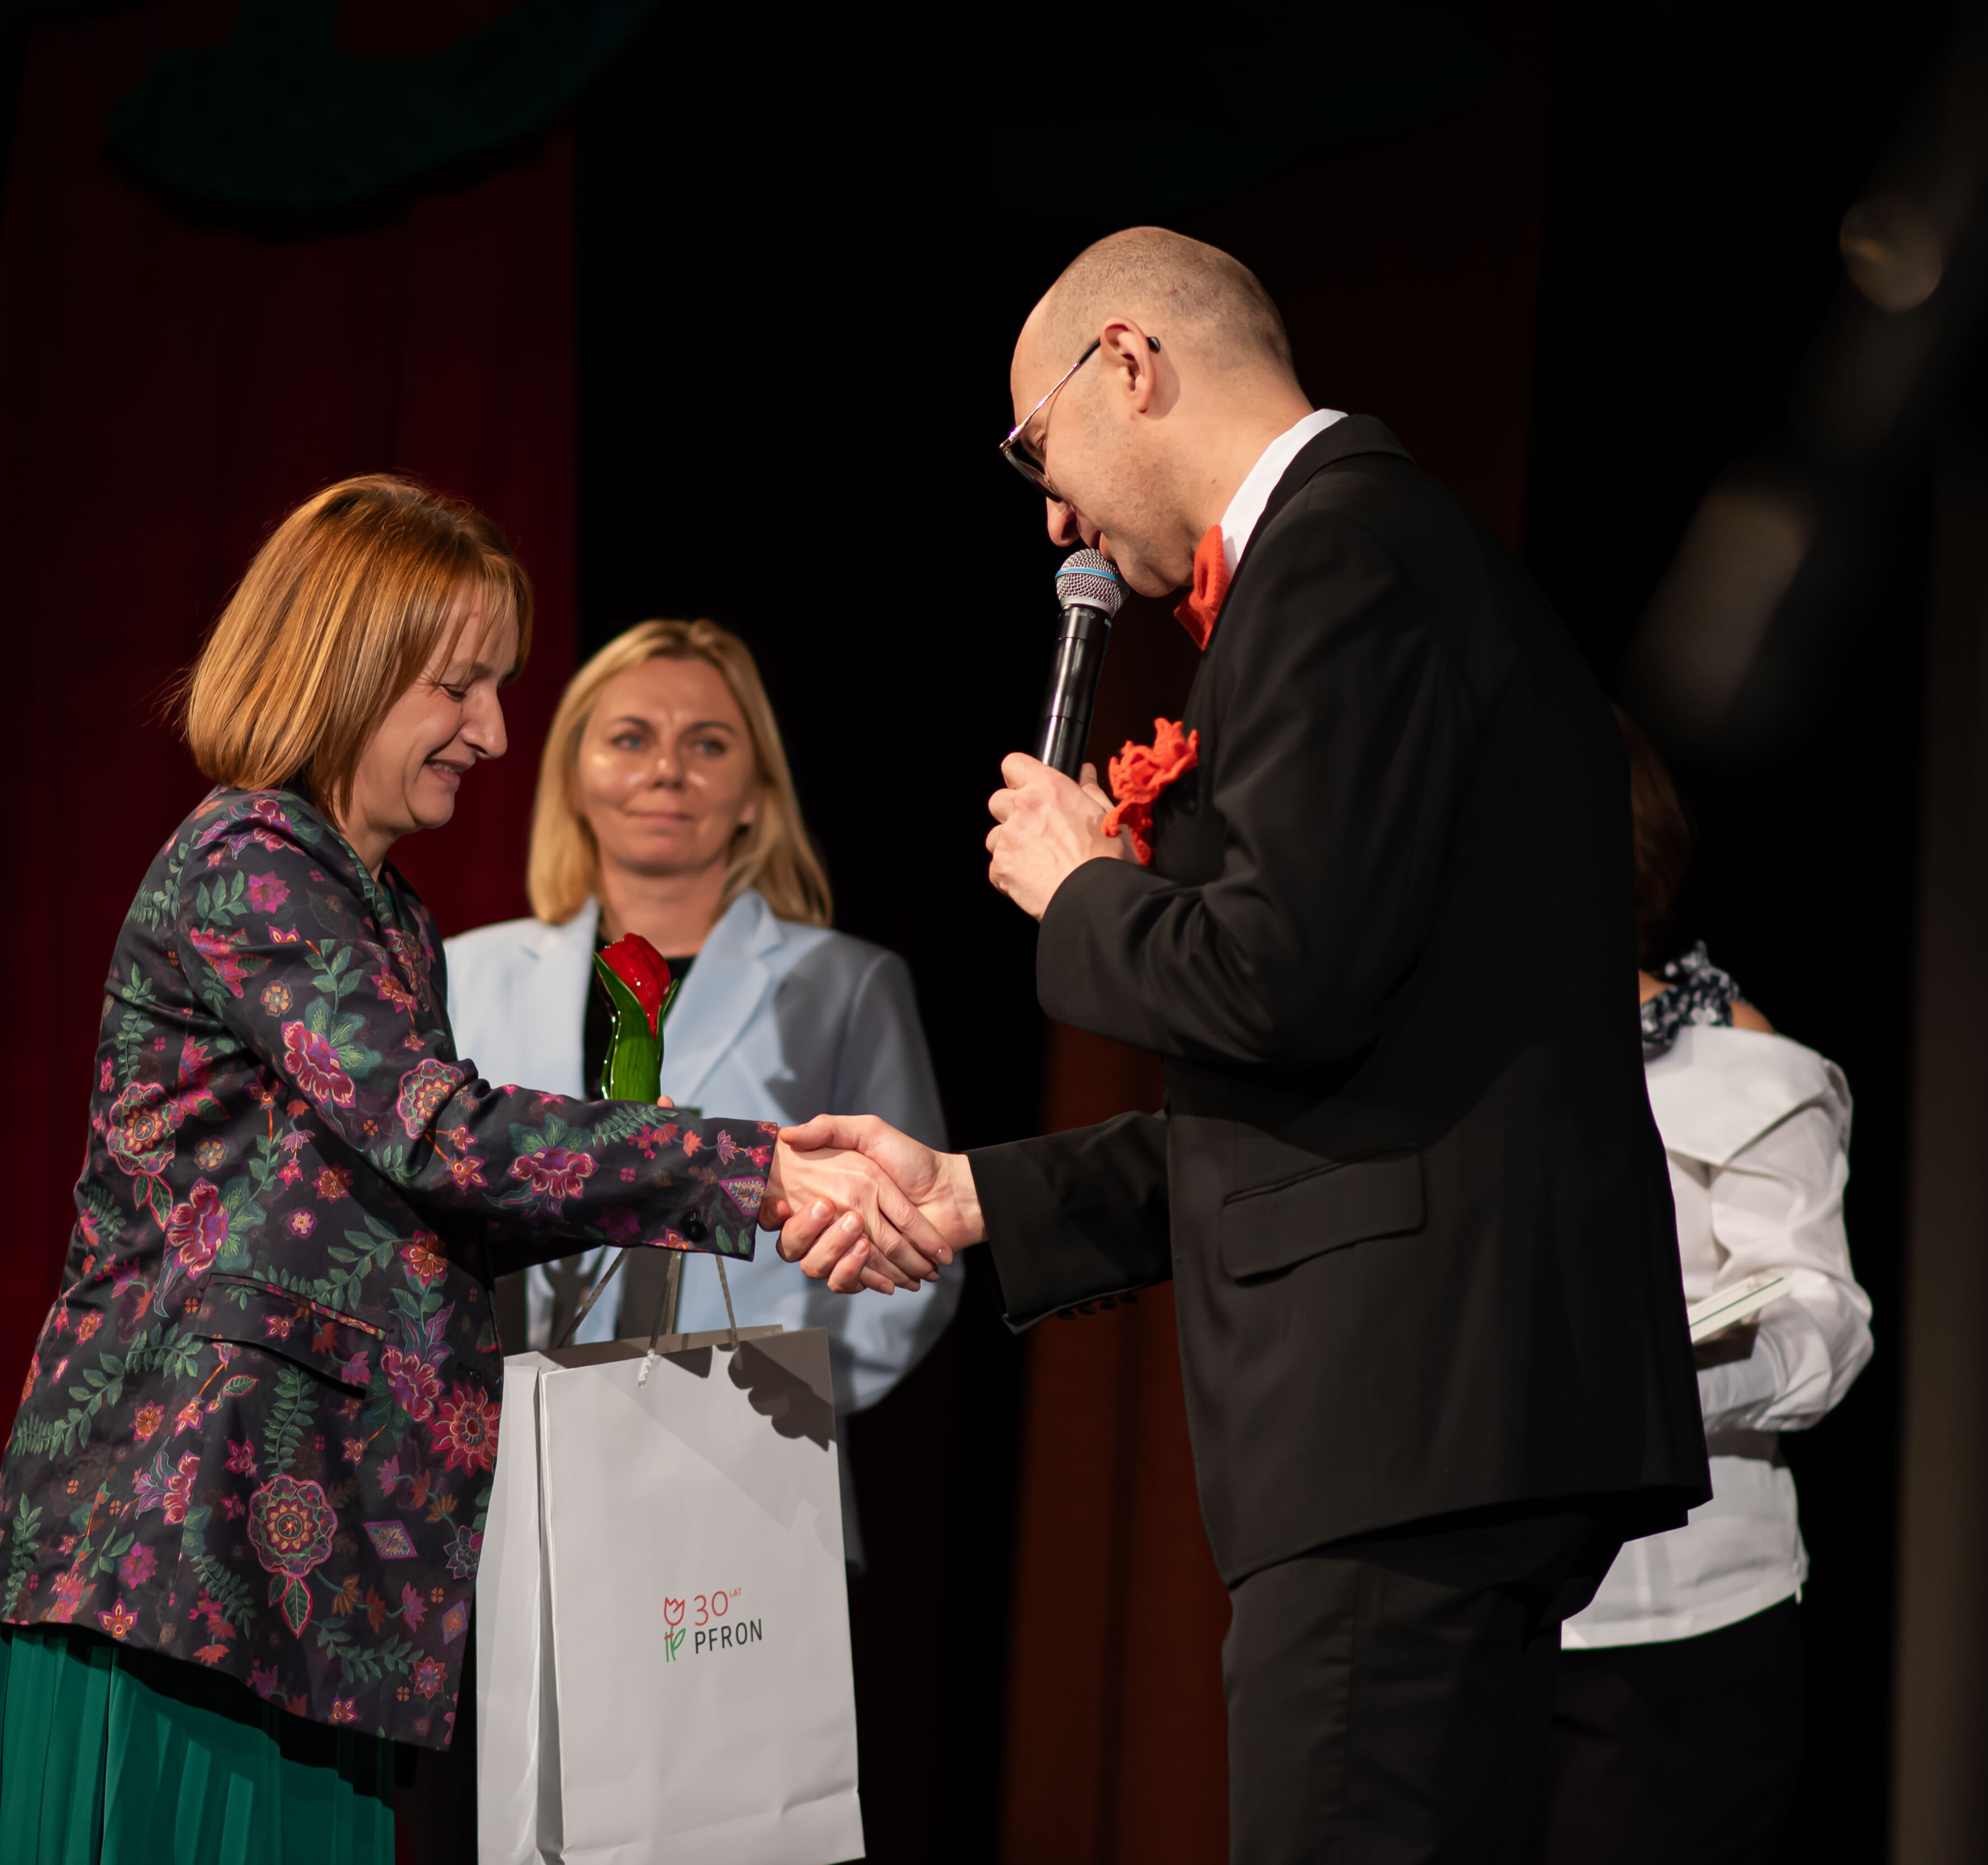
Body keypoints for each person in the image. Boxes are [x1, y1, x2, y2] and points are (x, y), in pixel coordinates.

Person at [767, 228, 1709, 1862]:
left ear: (1129, 362)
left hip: (1403, 1416)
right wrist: (975, 1196)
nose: (1053, 516)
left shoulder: (1341, 556)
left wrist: (1081, 890)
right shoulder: (1383, 553)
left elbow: (1277, 984)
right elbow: (1348, 1072)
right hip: (1448, 1417)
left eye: (1037, 448)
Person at [0, 475, 908, 1864]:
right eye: (459, 686)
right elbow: (438, 1134)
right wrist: (749, 1166)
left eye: (497, 687)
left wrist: (745, 1191)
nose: (495, 732)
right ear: (344, 669)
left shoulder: (379, 906)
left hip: (299, 1587)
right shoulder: (252, 859)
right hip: (182, 1558)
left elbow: (415, 1212)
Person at [444, 617, 959, 1556]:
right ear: (574, 778)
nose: (668, 770)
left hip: (748, 1483)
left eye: (709, 743)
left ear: (757, 793)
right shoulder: (463, 973)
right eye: (631, 737)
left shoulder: (845, 987)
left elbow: (918, 1250)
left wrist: (775, 1399)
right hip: (498, 1486)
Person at [1536, 715, 1874, 1863]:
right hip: (1473, 1617)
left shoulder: (1732, 1058)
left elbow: (1822, 1318)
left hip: (1679, 1627)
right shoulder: (1449, 1059)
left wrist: (1669, 1388)